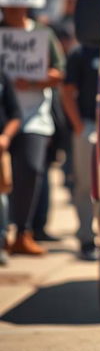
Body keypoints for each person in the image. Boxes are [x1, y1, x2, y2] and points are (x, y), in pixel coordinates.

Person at [1, 6, 65, 256]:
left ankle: (23, 232)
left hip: (34, 118)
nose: (11, 11)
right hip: (3, 116)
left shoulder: (43, 34)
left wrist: (33, 82)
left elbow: (59, 73)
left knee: (30, 168)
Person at [60, 42, 100, 260]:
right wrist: (79, 127)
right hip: (88, 125)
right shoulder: (80, 53)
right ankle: (86, 238)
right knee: (85, 185)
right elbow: (67, 91)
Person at [0, 71, 22, 266]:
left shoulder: (3, 77)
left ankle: (1, 242)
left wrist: (5, 137)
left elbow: (15, 115)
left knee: (1, 198)